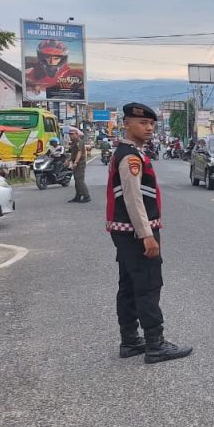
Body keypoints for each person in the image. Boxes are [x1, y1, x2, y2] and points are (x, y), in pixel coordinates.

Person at [108, 102, 192, 364]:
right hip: (136, 232)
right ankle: (155, 344)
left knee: (130, 284)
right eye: (142, 123)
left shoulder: (129, 153)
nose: (148, 128)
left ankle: (131, 340)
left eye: (151, 124)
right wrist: (146, 235)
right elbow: (134, 200)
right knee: (148, 285)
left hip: (124, 232)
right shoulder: (131, 157)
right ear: (127, 124)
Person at [67, 128, 91, 203]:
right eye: (70, 134)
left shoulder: (79, 142)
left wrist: (76, 162)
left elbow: (79, 153)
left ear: (76, 135)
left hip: (80, 163)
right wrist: (68, 160)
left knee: (80, 180)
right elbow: (73, 154)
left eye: (72, 134)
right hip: (76, 162)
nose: (70, 136)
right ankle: (78, 196)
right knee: (77, 180)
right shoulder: (74, 143)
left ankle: (86, 196)